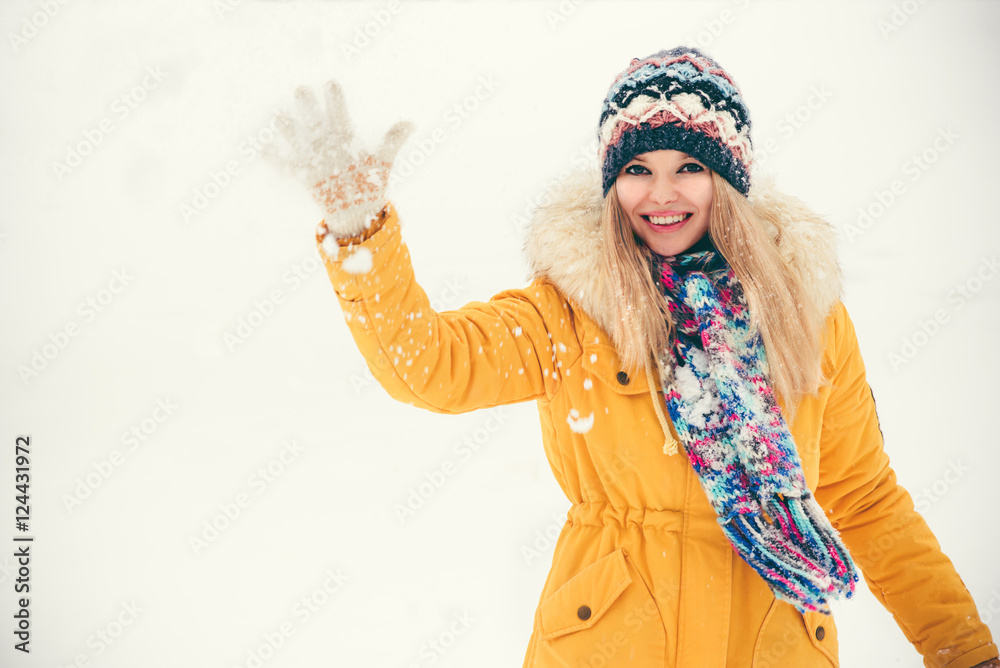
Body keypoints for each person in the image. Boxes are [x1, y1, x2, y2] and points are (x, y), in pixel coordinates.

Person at [264, 46, 999, 668]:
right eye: (637, 168)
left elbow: (867, 501)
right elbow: (430, 366)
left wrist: (964, 650)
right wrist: (363, 239)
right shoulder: (572, 314)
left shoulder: (808, 319)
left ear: (731, 179)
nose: (662, 193)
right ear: (611, 180)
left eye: (690, 166)